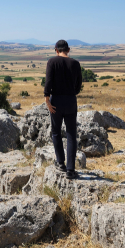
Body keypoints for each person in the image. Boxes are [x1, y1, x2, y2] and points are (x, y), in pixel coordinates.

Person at [44, 40, 82, 179]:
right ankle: (71, 170)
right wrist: (71, 93)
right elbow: (78, 86)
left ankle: (61, 163)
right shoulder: (76, 64)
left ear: (56, 50)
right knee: (71, 134)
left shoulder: (52, 62)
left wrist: (47, 99)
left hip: (56, 101)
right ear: (68, 50)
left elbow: (48, 81)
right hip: (71, 100)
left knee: (56, 132)